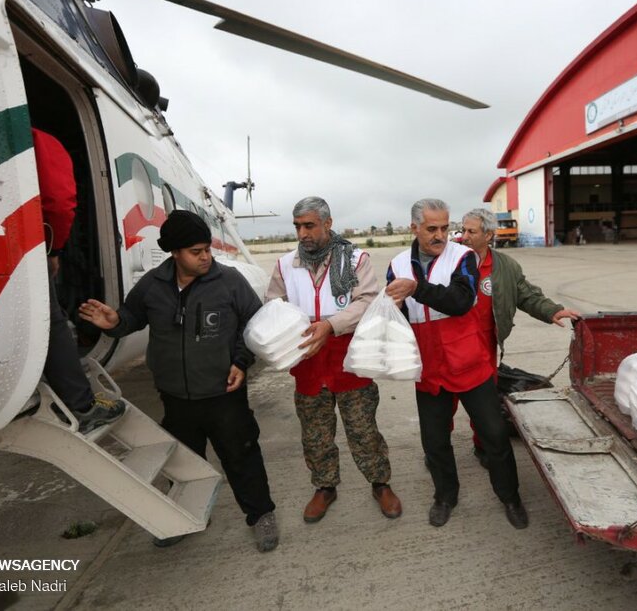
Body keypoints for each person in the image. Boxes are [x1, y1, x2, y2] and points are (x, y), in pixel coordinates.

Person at [78, 210, 279, 551]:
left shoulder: (229, 281)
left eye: (207, 249)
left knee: (241, 456)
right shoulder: (153, 284)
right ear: (174, 252)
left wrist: (241, 362)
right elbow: (131, 318)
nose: (205, 257)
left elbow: (256, 325)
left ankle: (261, 516)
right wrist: (113, 322)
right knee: (184, 464)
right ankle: (186, 516)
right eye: (196, 251)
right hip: (175, 396)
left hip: (224, 394)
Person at [386, 198, 527, 529]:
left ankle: (510, 497)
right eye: (432, 229)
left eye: (445, 227)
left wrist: (418, 288)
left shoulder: (463, 257)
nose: (440, 235)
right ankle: (445, 496)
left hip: (469, 363)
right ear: (414, 228)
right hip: (429, 368)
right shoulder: (396, 264)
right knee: (434, 441)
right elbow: (398, 313)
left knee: (494, 434)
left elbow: (461, 302)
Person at [265, 196, 401, 523]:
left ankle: (380, 482)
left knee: (363, 429)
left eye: (309, 225)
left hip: (348, 359)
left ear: (327, 223)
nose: (302, 233)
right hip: (308, 362)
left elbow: (367, 301)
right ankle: (325, 486)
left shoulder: (355, 260)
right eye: (298, 226)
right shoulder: (286, 265)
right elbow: (273, 304)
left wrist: (330, 325)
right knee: (315, 433)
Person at [456, 208, 580, 466]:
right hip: (449, 347)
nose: (463, 236)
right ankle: (438, 452)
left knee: (484, 405)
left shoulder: (505, 267)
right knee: (443, 404)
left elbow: (526, 294)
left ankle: (483, 447)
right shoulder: (448, 260)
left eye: (471, 231)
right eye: (463, 230)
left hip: (483, 348)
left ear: (488, 235)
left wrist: (552, 310)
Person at [33, 128, 125, 434]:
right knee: (49, 320)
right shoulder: (32, 137)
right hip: (23, 247)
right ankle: (82, 405)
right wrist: (54, 247)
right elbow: (59, 200)